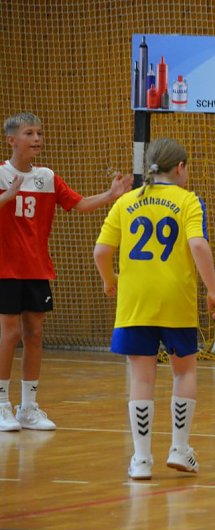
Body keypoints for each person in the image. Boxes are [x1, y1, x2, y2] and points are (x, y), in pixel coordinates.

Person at [94, 138, 215, 480]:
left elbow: (101, 251)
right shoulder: (188, 200)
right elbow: (197, 243)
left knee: (141, 377)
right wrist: (213, 290)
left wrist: (109, 280)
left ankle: (141, 460)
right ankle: (180, 449)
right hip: (175, 301)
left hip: (135, 301)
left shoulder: (126, 202)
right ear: (180, 168)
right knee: (184, 371)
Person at [0, 112, 131, 432]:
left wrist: (111, 196)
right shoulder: (1, 175)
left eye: (40, 133)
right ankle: (2, 405)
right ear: (11, 140)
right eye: (29, 133)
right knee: (10, 333)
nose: (37, 139)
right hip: (5, 267)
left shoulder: (47, 176)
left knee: (34, 333)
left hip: (36, 267)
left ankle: (28, 407)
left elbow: (80, 203)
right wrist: (7, 196)